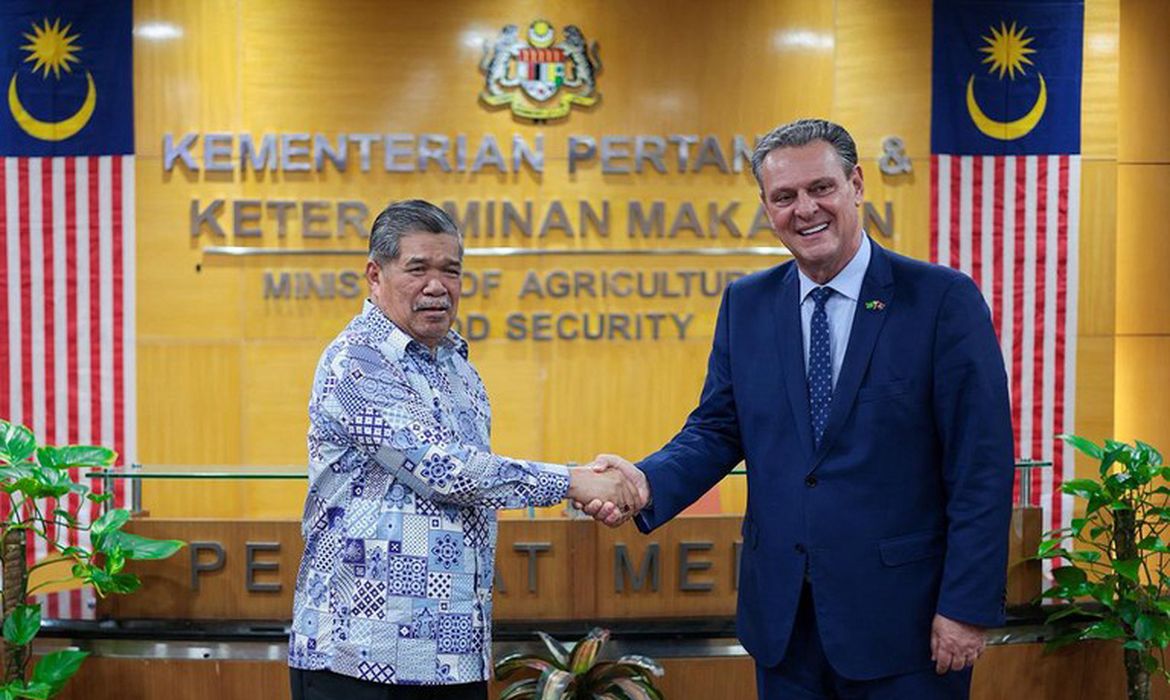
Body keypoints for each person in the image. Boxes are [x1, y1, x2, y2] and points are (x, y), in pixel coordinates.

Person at [587, 119, 1015, 699]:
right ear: (767, 208)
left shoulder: (940, 300)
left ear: (856, 185)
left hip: (907, 627)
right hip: (785, 627)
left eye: (821, 188)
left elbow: (981, 466)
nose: (805, 209)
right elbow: (717, 429)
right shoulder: (747, 303)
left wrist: (966, 606)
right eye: (784, 196)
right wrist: (644, 482)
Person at [288, 199, 637, 699]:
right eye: (418, 269)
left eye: (450, 271)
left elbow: (474, 483)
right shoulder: (355, 361)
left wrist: (583, 483)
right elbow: (446, 471)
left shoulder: (458, 367)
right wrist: (573, 481)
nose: (437, 286)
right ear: (375, 275)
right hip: (358, 656)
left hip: (452, 656)